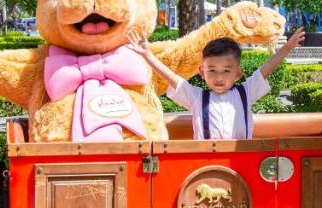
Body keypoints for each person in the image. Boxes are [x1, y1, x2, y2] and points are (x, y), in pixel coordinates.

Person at [128, 26, 306, 139]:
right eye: (212, 70)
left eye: (226, 71)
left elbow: (265, 69)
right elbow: (172, 79)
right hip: (206, 160)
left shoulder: (246, 92)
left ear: (238, 73)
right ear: (202, 72)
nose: (219, 77)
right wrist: (148, 55)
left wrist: (287, 47)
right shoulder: (196, 97)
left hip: (241, 159)